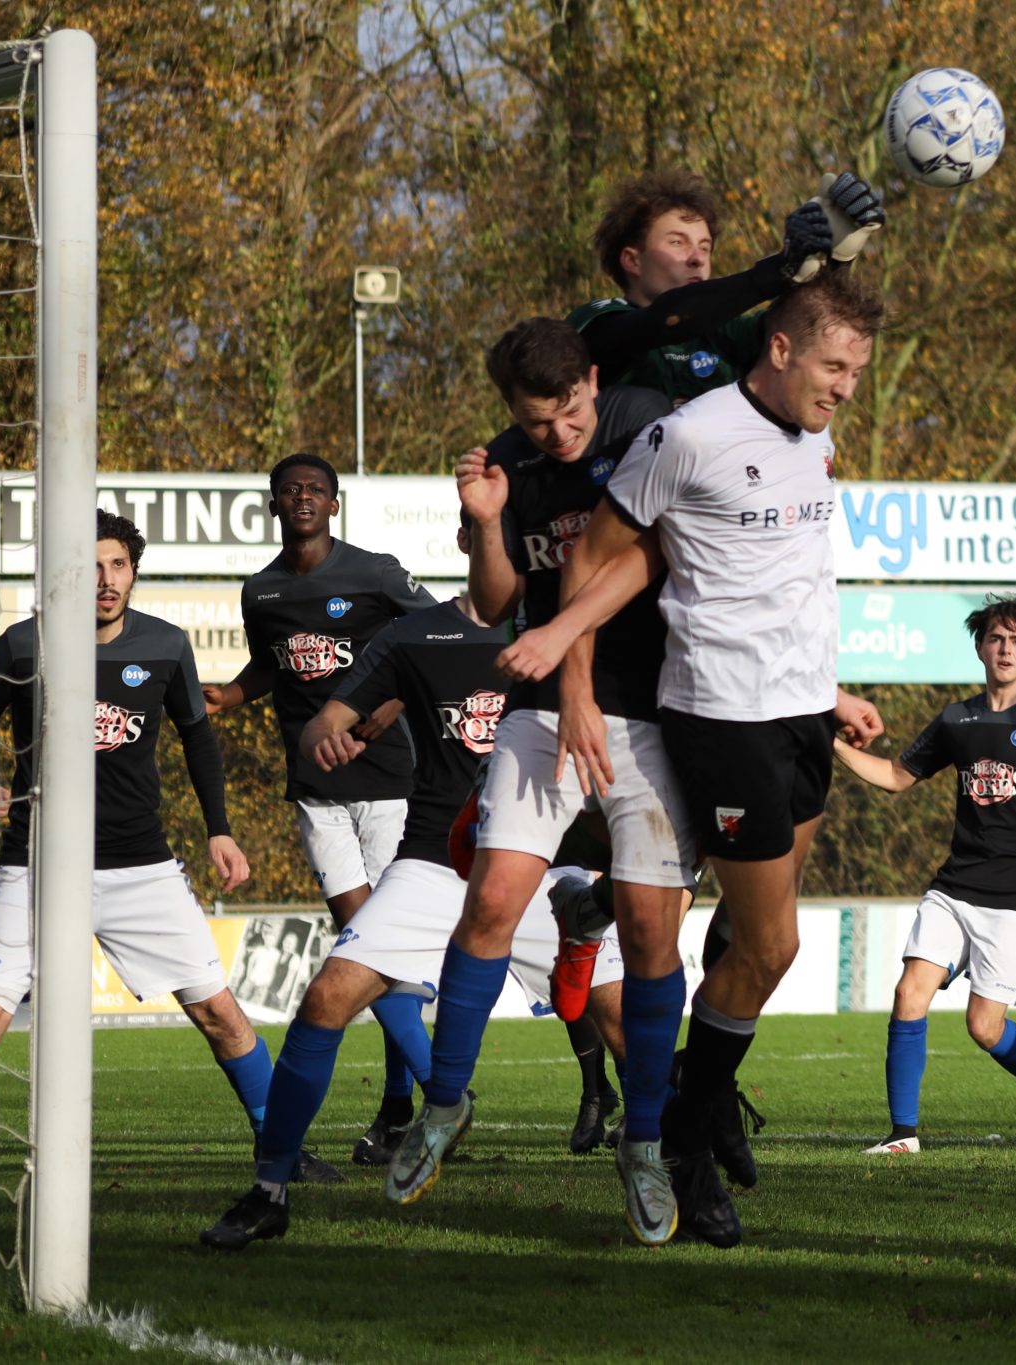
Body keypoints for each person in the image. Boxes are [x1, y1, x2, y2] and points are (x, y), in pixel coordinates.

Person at [496, 269, 889, 1249]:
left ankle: (602, 919)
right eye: (835, 366)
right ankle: (686, 1134)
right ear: (784, 349)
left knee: (745, 939)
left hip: (801, 716)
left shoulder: (814, 437)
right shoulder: (689, 433)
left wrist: (828, 692)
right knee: (772, 946)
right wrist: (570, 667)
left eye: (857, 371)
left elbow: (783, 573)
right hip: (722, 717)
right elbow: (604, 556)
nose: (846, 386)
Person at [198, 565, 624, 1250]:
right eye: (490, 527)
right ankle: (270, 1189)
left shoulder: (573, 629)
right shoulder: (413, 634)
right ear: (470, 537)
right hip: (436, 858)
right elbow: (324, 721)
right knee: (326, 998)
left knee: (623, 1022)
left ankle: (669, 1164)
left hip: (547, 861)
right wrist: (324, 737)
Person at [387, 319, 696, 1248]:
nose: (560, 435)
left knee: (649, 930)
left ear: (594, 381)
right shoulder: (509, 466)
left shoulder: (650, 424)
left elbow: (654, 558)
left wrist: (577, 664)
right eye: (538, 421)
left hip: (652, 709)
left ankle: (642, 1144)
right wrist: (486, 520)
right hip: (540, 708)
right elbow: (490, 602)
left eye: (570, 415)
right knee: (491, 900)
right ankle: (443, 1105)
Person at [0, 512, 276, 1159]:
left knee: (221, 1013)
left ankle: (281, 1145)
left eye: (118, 564)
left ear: (134, 572)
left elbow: (199, 738)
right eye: (90, 565)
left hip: (140, 866)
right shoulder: (22, 645)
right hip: (33, 863)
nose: (105, 579)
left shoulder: (167, 645)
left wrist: (220, 831)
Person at [205, 452, 437, 1159]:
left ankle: (424, 1099)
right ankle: (419, 1100)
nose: (302, 497)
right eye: (289, 490)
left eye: (315, 490)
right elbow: (272, 667)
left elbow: (433, 645)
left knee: (376, 944)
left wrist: (387, 705)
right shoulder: (262, 591)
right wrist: (229, 695)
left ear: (334, 505)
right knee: (368, 940)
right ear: (272, 504)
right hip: (316, 791)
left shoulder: (375, 571)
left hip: (391, 778)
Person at [835, 594, 1016, 1155]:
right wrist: (827, 746)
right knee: (909, 991)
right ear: (980, 648)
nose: (1006, 648)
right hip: (955, 885)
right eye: (996, 638)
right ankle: (903, 1135)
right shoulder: (956, 719)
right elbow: (896, 776)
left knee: (983, 1027)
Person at [569, 168, 883, 404]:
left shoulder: (724, 335)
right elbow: (664, 321)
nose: (696, 258)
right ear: (632, 261)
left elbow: (808, 328)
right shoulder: (598, 322)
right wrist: (779, 269)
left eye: (705, 247)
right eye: (678, 242)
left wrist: (836, 259)